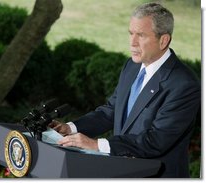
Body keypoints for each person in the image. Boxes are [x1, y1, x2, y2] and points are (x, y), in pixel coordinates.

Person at [48, 2, 200, 178]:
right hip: (122, 171)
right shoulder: (132, 66)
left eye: (141, 35)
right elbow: (111, 111)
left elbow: (156, 140)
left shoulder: (184, 85)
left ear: (163, 40)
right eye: (131, 33)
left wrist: (97, 145)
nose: (132, 42)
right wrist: (71, 127)